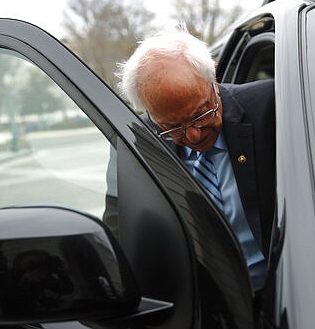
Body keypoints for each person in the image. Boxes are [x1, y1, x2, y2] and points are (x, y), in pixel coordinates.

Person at [117, 24, 275, 293]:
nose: (192, 135)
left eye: (201, 114)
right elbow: (126, 232)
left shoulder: (271, 107)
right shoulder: (138, 144)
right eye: (172, 127)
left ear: (212, 76)